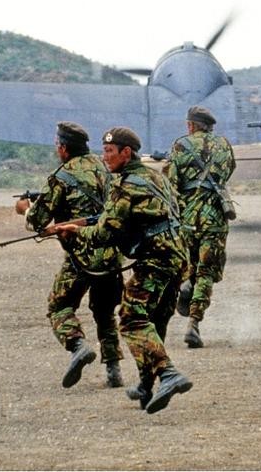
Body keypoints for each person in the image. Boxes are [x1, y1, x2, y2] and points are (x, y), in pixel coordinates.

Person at [55, 127, 193, 414]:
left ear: (125, 152)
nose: (105, 157)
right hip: (178, 257)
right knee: (154, 321)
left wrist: (73, 232)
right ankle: (146, 385)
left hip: (155, 259)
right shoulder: (155, 176)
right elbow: (125, 214)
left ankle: (168, 374)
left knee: (131, 319)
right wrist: (80, 222)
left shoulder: (125, 184)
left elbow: (106, 232)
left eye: (109, 152)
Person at [16, 121, 124, 390]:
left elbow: (38, 221)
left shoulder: (61, 177)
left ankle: (77, 345)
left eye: (57, 146)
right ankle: (113, 370)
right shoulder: (105, 167)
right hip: (112, 254)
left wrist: (25, 209)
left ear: (64, 148)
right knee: (105, 312)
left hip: (81, 258)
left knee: (58, 306)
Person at [163, 105, 236, 349]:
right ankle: (194, 323)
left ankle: (185, 284)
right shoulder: (224, 145)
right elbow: (228, 172)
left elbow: (170, 183)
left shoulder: (180, 145)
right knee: (206, 271)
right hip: (214, 217)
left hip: (187, 217)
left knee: (186, 262)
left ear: (191, 125)